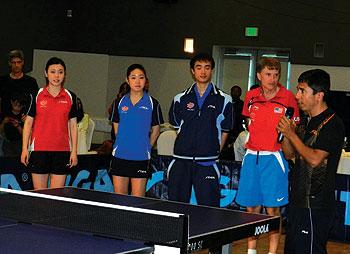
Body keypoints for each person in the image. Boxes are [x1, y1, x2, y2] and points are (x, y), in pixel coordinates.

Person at [235, 57, 299, 254]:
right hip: (251, 156)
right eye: (268, 74)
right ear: (259, 75)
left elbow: (293, 128)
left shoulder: (288, 97)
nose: (272, 78)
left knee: (272, 210)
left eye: (276, 75)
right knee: (251, 209)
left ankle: (272, 252)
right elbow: (248, 122)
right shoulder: (251, 96)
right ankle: (251, 250)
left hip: (274, 159)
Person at [277, 69, 345, 254]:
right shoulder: (305, 122)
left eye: (302, 90)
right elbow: (290, 154)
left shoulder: (332, 124)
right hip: (297, 202)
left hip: (316, 205)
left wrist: (292, 134)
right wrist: (287, 134)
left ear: (318, 95)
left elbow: (315, 159)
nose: (297, 95)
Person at [168, 52, 234, 207]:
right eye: (199, 68)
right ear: (192, 71)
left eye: (207, 67)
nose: (203, 72)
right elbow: (177, 127)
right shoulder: (180, 98)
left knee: (209, 210)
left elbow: (225, 130)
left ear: (212, 70)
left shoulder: (225, 99)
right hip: (181, 160)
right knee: (176, 208)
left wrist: (215, 150)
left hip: (208, 162)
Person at [21, 57, 78, 190]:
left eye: (60, 72)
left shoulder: (71, 97)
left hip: (62, 151)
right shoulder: (36, 95)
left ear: (65, 75)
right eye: (53, 72)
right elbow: (28, 123)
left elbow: (73, 126)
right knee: (40, 197)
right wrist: (24, 149)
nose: (56, 76)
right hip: (39, 151)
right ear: (46, 73)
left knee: (56, 197)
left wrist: (74, 151)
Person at [110, 64, 163, 197]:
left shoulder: (153, 103)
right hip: (120, 156)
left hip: (140, 157)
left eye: (141, 77)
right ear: (127, 80)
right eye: (133, 78)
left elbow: (156, 130)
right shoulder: (119, 102)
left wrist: (146, 146)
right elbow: (116, 128)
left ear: (146, 80)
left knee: (137, 199)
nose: (137, 81)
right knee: (119, 198)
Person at [0, 50, 39, 115]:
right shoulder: (2, 81)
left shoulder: (31, 82)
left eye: (19, 62)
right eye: (13, 62)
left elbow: (35, 102)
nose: (16, 65)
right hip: (4, 120)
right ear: (9, 63)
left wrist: (30, 116)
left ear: (22, 63)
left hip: (25, 120)